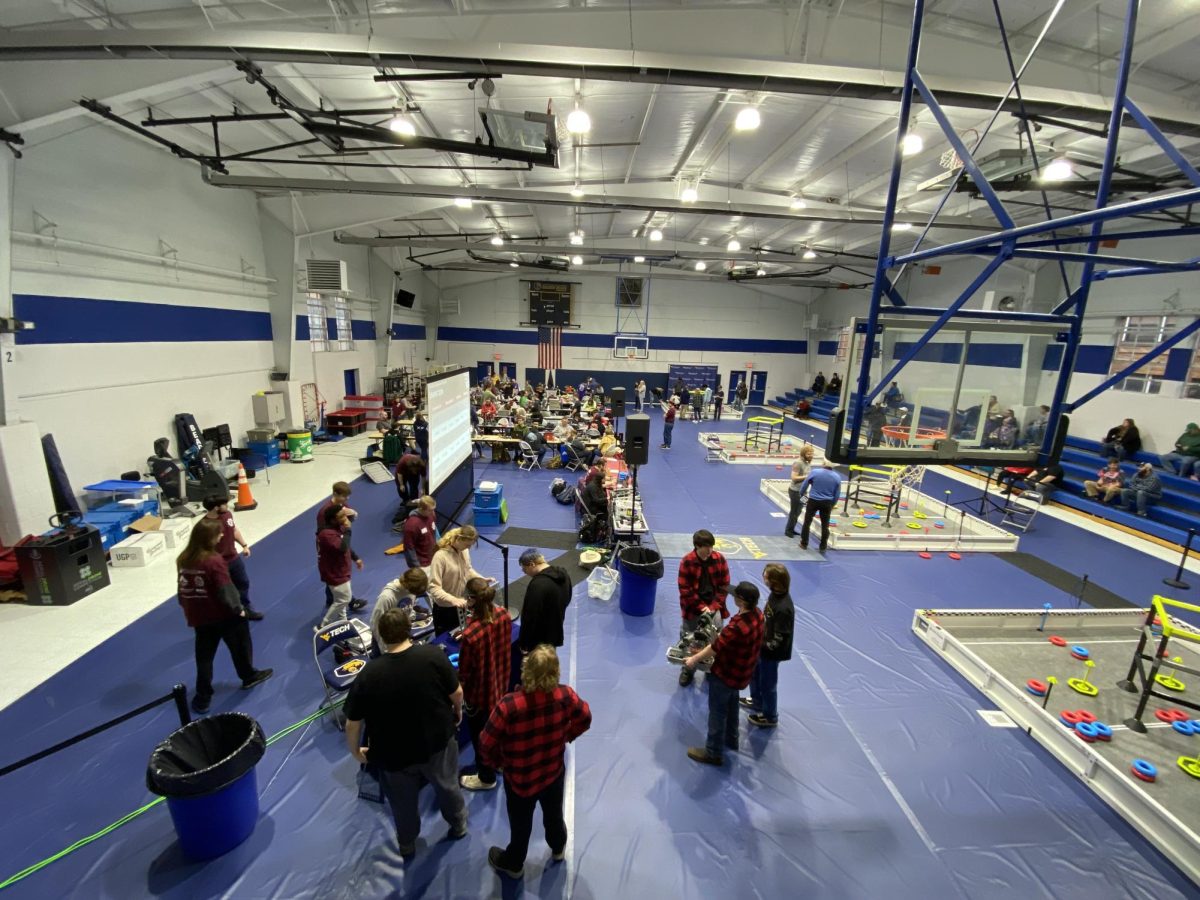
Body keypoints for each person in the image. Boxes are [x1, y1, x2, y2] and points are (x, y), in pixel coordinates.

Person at [343, 608, 467, 859]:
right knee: (448, 787)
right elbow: (457, 693)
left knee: (402, 803)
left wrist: (356, 752)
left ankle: (407, 843)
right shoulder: (432, 656)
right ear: (409, 629)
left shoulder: (369, 674)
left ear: (381, 636)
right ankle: (458, 825)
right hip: (436, 743)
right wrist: (457, 712)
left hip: (392, 754)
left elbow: (352, 722)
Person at [480, 646, 592, 880]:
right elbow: (585, 717)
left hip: (520, 781)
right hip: (552, 774)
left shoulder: (508, 706)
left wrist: (499, 762)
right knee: (553, 815)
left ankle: (515, 864)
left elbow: (485, 743)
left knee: (520, 826)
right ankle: (559, 847)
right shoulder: (565, 696)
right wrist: (567, 735)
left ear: (526, 670)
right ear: (556, 672)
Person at [175, 518, 272, 713]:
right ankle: (248, 676)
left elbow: (182, 589)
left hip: (200, 618)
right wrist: (239, 609)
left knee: (204, 657)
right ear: (209, 538)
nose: (221, 536)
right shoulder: (214, 561)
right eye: (218, 534)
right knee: (240, 647)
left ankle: (203, 696)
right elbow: (225, 589)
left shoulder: (184, 558)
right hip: (225, 616)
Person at [683, 581, 765, 766]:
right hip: (742, 674)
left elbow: (715, 647)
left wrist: (693, 660)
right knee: (732, 704)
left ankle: (713, 752)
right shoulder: (758, 616)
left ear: (741, 601)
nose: (732, 596)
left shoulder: (736, 626)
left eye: (735, 595)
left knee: (717, 712)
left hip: (726, 674)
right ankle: (732, 738)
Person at [458, 577, 513, 791]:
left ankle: (486, 777)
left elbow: (464, 672)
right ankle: (499, 763)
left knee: (481, 738)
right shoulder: (504, 614)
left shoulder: (470, 634)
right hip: (501, 686)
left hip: (479, 697)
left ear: (471, 600)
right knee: (498, 730)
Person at [676, 529, 731, 687]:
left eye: (712, 547)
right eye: (706, 547)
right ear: (697, 546)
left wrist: (713, 607)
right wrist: (702, 608)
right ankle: (688, 669)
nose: (710, 551)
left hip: (714, 608)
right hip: (692, 610)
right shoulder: (687, 562)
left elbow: (724, 586)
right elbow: (685, 590)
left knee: (715, 640)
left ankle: (711, 668)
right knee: (690, 640)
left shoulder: (719, 559)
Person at [743, 564, 793, 728]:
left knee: (768, 684)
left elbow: (779, 638)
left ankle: (770, 716)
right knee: (755, 674)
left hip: (772, 652)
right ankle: (757, 700)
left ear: (775, 582)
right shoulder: (775, 595)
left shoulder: (784, 607)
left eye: (766, 576)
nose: (763, 578)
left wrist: (762, 646)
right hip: (763, 645)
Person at [202, 494, 261, 621]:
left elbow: (234, 530)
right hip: (218, 564)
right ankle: (225, 614)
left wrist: (244, 545)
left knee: (243, 582)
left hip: (233, 558)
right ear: (216, 508)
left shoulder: (227, 515)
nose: (227, 506)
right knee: (222, 590)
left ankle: (246, 608)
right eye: (224, 504)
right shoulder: (206, 525)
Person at [428, 526, 484, 635]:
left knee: (460, 635)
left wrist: (480, 578)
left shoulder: (464, 550)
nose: (469, 548)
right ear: (459, 539)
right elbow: (434, 587)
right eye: (467, 545)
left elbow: (467, 569)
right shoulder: (440, 557)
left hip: (460, 605)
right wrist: (453, 599)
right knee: (446, 640)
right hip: (444, 609)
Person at [516, 549, 573, 653]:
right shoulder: (563, 573)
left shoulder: (537, 585)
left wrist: (524, 642)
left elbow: (530, 617)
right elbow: (568, 596)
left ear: (532, 564)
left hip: (539, 639)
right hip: (556, 628)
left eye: (524, 570)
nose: (525, 573)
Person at [317, 504, 364, 627]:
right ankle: (323, 625)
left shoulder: (337, 528)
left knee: (340, 599)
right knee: (344, 599)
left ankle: (343, 621)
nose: (345, 518)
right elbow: (342, 548)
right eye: (341, 516)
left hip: (341, 569)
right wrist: (348, 530)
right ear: (333, 520)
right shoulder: (326, 535)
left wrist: (356, 558)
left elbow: (346, 545)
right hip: (335, 573)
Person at [370, 567, 430, 654]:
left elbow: (407, 608)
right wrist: (384, 650)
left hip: (401, 635)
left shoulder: (410, 591)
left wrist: (414, 616)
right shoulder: (387, 597)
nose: (414, 595)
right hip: (386, 639)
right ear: (408, 586)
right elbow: (375, 624)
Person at [796, 462, 842, 554]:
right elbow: (837, 495)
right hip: (827, 503)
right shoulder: (837, 477)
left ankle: (804, 543)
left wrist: (804, 500)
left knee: (807, 522)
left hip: (812, 501)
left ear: (824, 463)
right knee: (825, 525)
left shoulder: (815, 472)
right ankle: (823, 546)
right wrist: (831, 505)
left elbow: (803, 488)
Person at [783, 445, 815, 538]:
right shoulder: (798, 463)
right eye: (808, 453)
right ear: (803, 453)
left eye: (812, 453)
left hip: (803, 492)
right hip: (795, 492)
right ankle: (788, 531)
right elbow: (794, 477)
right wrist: (807, 477)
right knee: (794, 511)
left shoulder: (807, 463)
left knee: (799, 510)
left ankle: (792, 529)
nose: (810, 455)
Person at [402, 495, 438, 569]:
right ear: (422, 509)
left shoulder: (431, 515)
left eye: (433, 509)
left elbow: (433, 533)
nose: (433, 512)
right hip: (422, 564)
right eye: (430, 510)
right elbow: (409, 548)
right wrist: (416, 567)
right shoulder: (411, 525)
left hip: (433, 558)